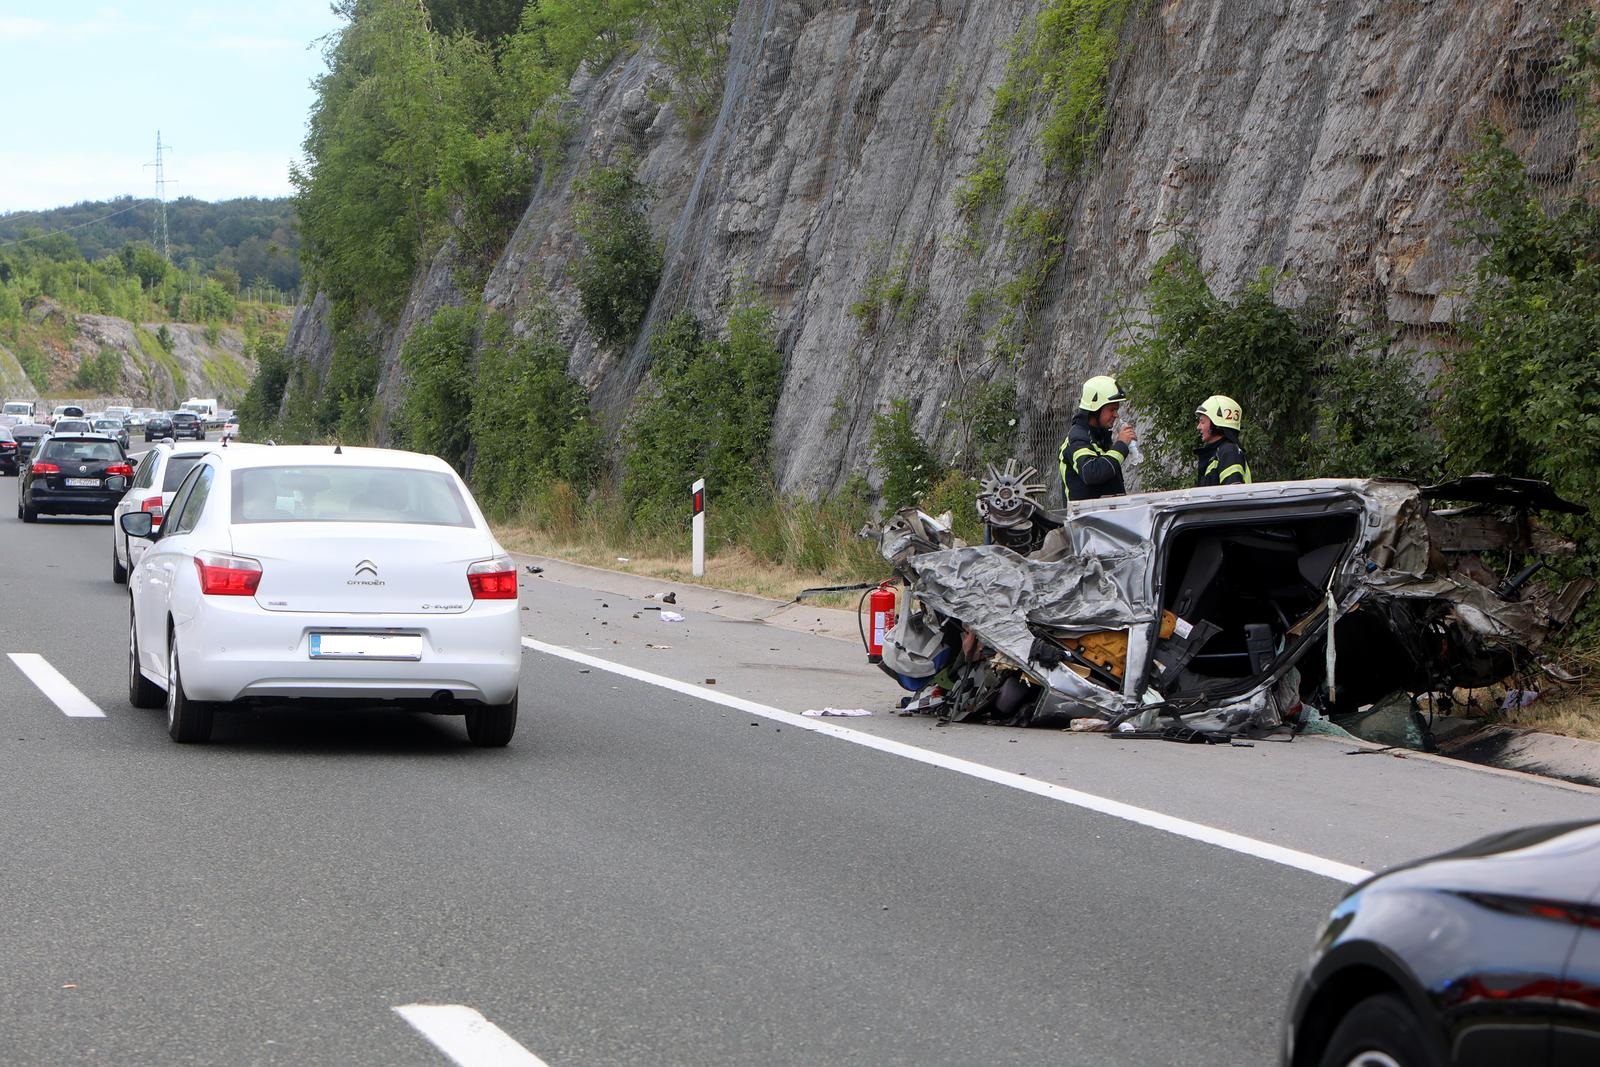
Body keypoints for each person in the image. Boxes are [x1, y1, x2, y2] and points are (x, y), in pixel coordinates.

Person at [1059, 375, 1136, 503]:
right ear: (1095, 409)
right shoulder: (1077, 438)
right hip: (1085, 520)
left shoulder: (1099, 437)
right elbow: (1092, 473)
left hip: (1103, 517)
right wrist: (1121, 445)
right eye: (1112, 409)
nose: (1116, 415)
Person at [1194, 395, 1252, 486]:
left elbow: (1232, 495)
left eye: (1202, 422)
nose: (1198, 427)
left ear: (1216, 423)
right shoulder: (1217, 454)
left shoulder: (1229, 452)